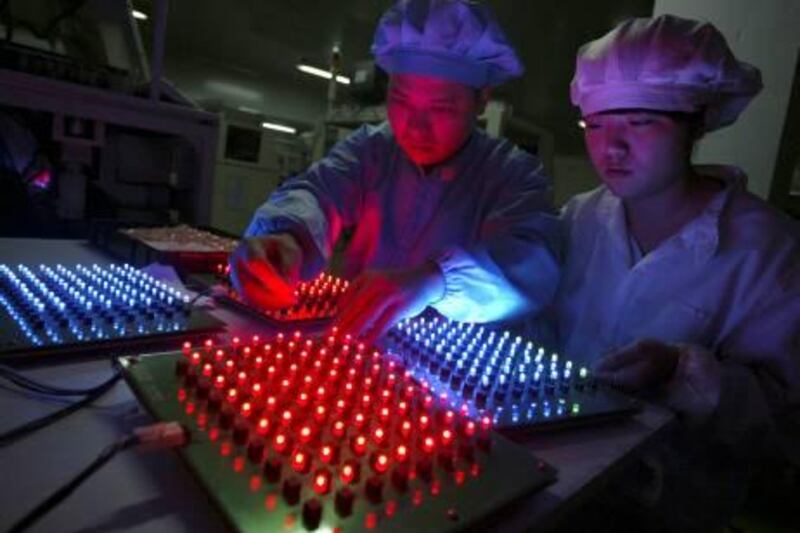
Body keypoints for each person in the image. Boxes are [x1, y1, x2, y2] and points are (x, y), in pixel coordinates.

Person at [554, 14, 800, 530]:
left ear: (699, 119)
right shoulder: (578, 218)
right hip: (555, 486)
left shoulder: (769, 252)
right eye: (596, 124)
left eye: (641, 122)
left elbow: (785, 422)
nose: (611, 147)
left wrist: (680, 372)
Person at [230, 0, 561, 342]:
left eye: (440, 107)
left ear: (481, 100)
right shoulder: (372, 150)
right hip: (360, 346)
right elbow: (318, 190)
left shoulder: (512, 174)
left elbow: (531, 264)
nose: (415, 128)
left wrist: (434, 280)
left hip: (445, 372)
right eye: (401, 102)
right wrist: (288, 238)